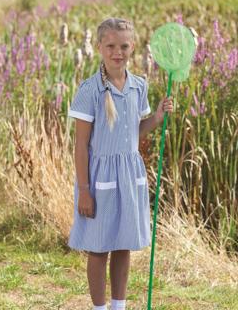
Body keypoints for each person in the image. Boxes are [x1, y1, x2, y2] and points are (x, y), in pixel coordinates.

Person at [67, 17, 173, 310]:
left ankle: (119, 306)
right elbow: (80, 145)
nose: (118, 52)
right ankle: (100, 308)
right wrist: (84, 190)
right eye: (111, 46)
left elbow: (134, 131)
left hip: (129, 175)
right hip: (98, 179)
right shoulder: (90, 90)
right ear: (99, 46)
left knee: (124, 244)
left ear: (133, 47)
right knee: (99, 248)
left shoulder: (139, 86)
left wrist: (157, 118)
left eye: (124, 46)